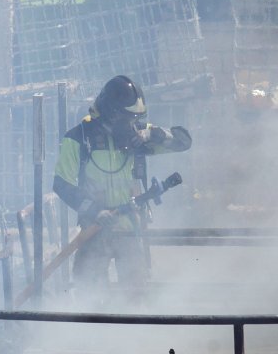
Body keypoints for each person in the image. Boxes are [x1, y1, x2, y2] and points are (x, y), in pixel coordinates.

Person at [53, 75, 192, 290]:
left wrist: (152, 134)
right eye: (127, 119)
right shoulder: (78, 138)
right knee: (88, 294)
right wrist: (95, 211)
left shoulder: (137, 135)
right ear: (112, 113)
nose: (132, 125)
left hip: (129, 230)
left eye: (134, 119)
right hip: (94, 230)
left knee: (135, 295)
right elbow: (62, 184)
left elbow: (183, 143)